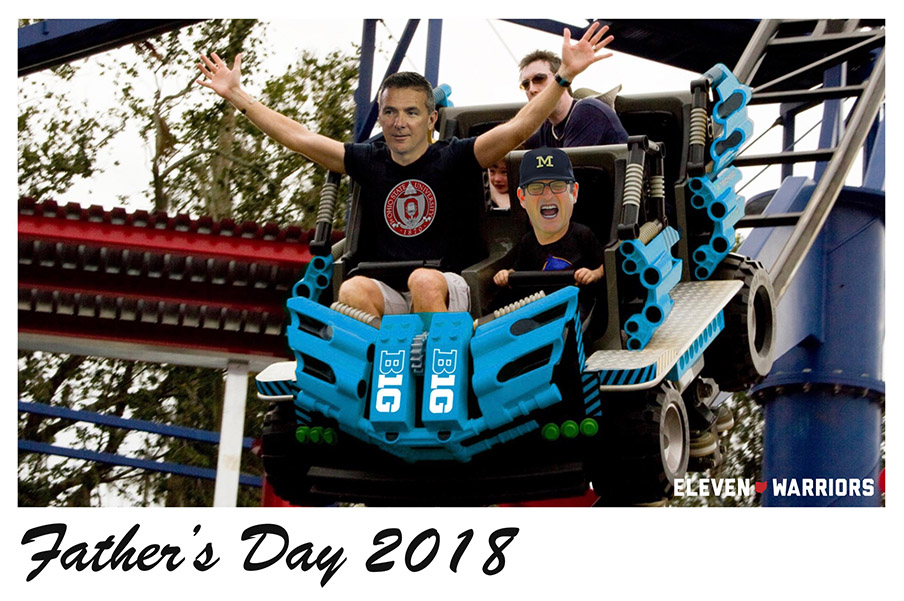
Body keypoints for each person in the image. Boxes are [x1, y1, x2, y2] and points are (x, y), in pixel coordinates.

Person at [196, 22, 615, 318]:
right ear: (380, 116)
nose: (400, 122)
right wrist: (237, 96)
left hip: (452, 288)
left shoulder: (454, 156)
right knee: (352, 290)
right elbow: (300, 137)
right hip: (392, 291)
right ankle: (387, 387)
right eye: (391, 112)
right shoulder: (368, 160)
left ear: (432, 119)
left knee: (424, 282)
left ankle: (447, 380)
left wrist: (563, 76)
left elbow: (521, 126)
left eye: (412, 112)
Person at [494, 147, 605, 311]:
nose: (547, 195)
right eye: (536, 188)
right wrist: (506, 275)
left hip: (577, 306)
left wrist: (594, 274)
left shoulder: (583, 235)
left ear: (573, 193)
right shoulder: (528, 242)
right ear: (522, 198)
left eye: (557, 186)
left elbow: (606, 266)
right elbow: (518, 271)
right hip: (540, 308)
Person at [518, 49, 628, 149]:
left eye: (539, 78)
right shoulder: (546, 128)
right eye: (525, 84)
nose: (532, 89)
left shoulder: (588, 111)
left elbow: (568, 168)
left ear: (560, 77)